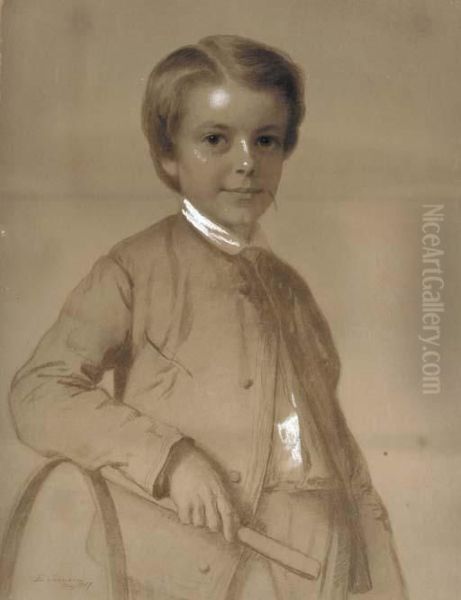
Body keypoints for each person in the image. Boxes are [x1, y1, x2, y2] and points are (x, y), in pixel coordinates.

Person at [9, 35, 408, 599]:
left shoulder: (293, 293)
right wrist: (169, 459)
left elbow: (345, 465)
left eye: (265, 140)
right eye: (215, 139)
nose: (246, 162)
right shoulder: (135, 269)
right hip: (190, 577)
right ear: (168, 156)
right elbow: (38, 392)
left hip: (318, 576)